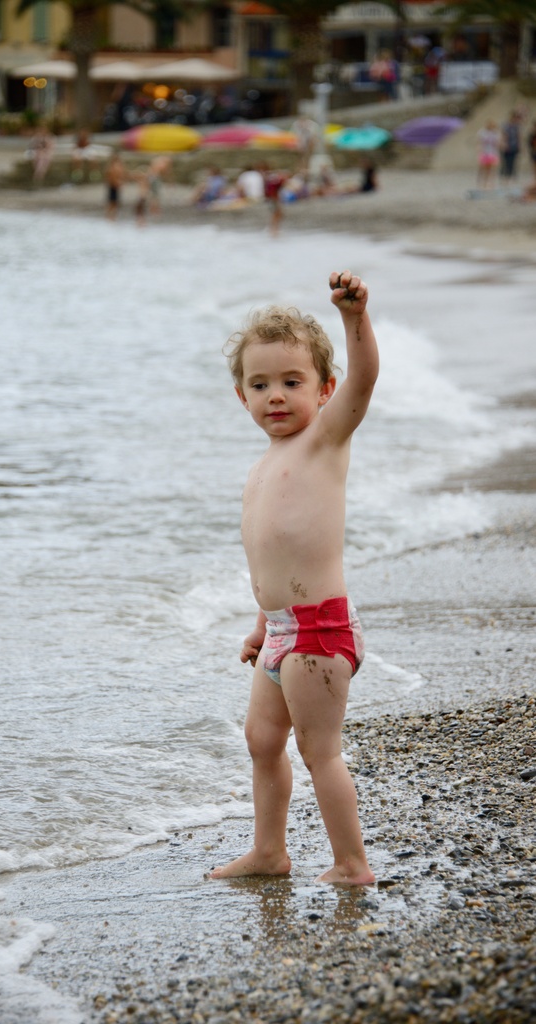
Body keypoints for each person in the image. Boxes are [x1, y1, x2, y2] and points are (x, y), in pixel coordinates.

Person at [208, 270, 379, 886]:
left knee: (318, 750)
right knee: (261, 739)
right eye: (260, 385)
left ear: (325, 389)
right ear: (241, 396)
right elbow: (272, 558)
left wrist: (354, 317)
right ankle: (269, 852)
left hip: (319, 632)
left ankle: (352, 863)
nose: (275, 396)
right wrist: (261, 624)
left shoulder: (324, 441)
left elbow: (366, 378)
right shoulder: (261, 466)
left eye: (291, 382)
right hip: (281, 631)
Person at [476, 119, 501, 189]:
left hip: (492, 152)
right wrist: (479, 151)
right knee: (483, 168)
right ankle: (482, 181)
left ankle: (490, 182)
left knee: (491, 169)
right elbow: (479, 142)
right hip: (485, 152)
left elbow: (498, 143)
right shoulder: (482, 132)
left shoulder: (495, 133)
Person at [500, 109, 522, 181]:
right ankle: (505, 175)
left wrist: (519, 144)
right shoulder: (506, 125)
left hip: (513, 145)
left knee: (513, 161)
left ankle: (511, 175)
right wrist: (503, 144)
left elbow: (518, 136)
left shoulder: (517, 126)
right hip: (507, 145)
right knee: (506, 161)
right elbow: (503, 135)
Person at [105, 152, 125, 220]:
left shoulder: (114, 167)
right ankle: (111, 216)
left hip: (114, 186)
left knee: (114, 202)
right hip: (114, 186)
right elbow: (111, 177)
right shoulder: (114, 167)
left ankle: (111, 216)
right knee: (113, 202)